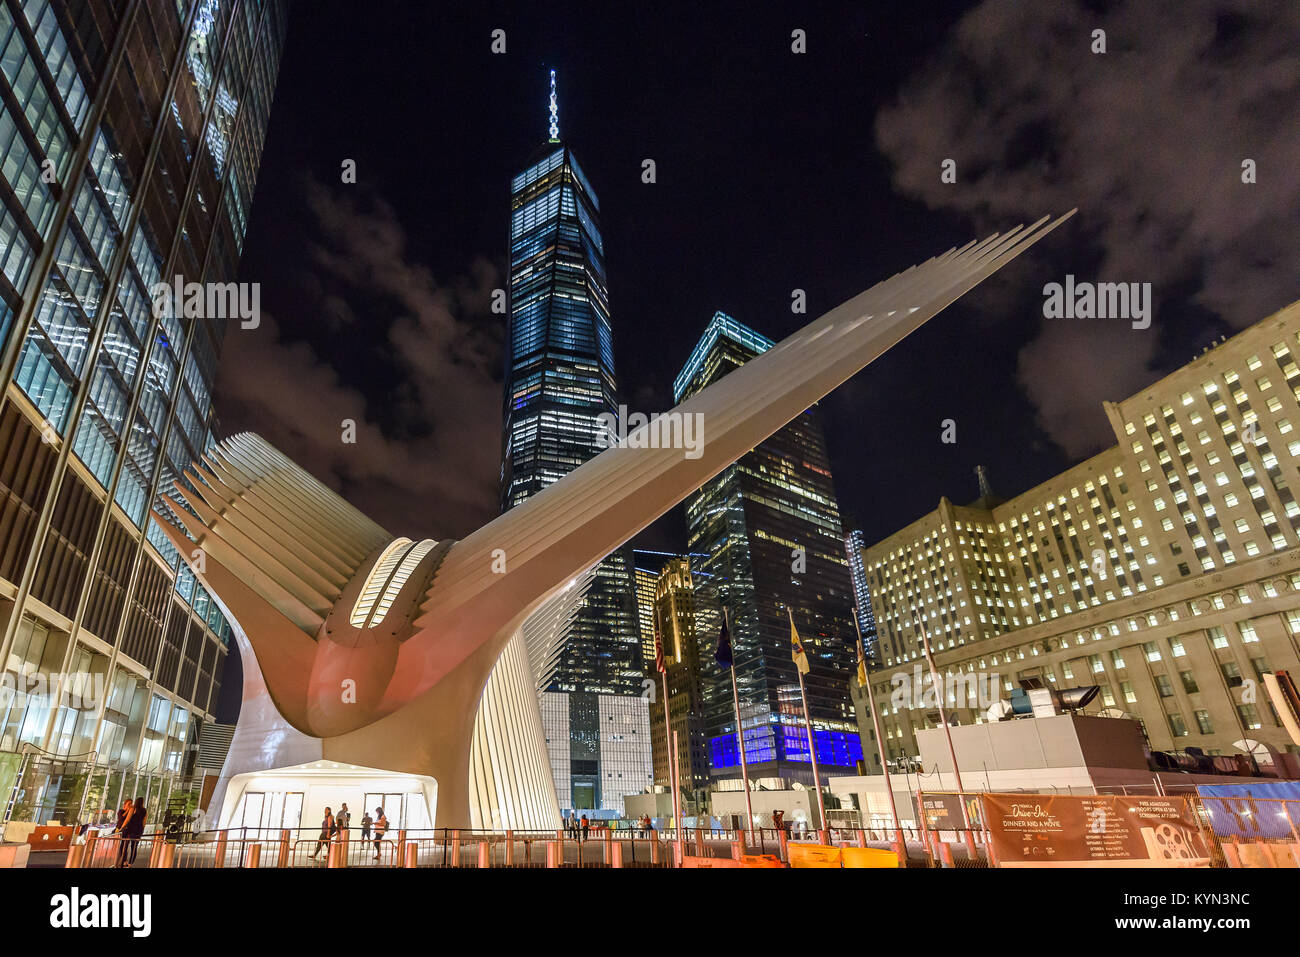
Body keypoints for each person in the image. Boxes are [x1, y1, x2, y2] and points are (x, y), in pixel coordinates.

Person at [123, 797, 146, 867]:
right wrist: (141, 830)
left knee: (125, 845)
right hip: (138, 830)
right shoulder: (144, 810)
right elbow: (144, 822)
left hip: (130, 829)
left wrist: (122, 827)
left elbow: (128, 819)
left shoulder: (133, 809)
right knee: (134, 847)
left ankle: (124, 861)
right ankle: (130, 863)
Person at [112, 798, 134, 868]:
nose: (130, 805)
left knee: (124, 846)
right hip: (119, 829)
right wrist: (127, 811)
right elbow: (121, 818)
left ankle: (124, 860)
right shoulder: (121, 811)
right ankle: (116, 860)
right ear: (125, 804)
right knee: (119, 845)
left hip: (127, 831)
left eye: (131, 803)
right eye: (129, 804)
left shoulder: (131, 811)